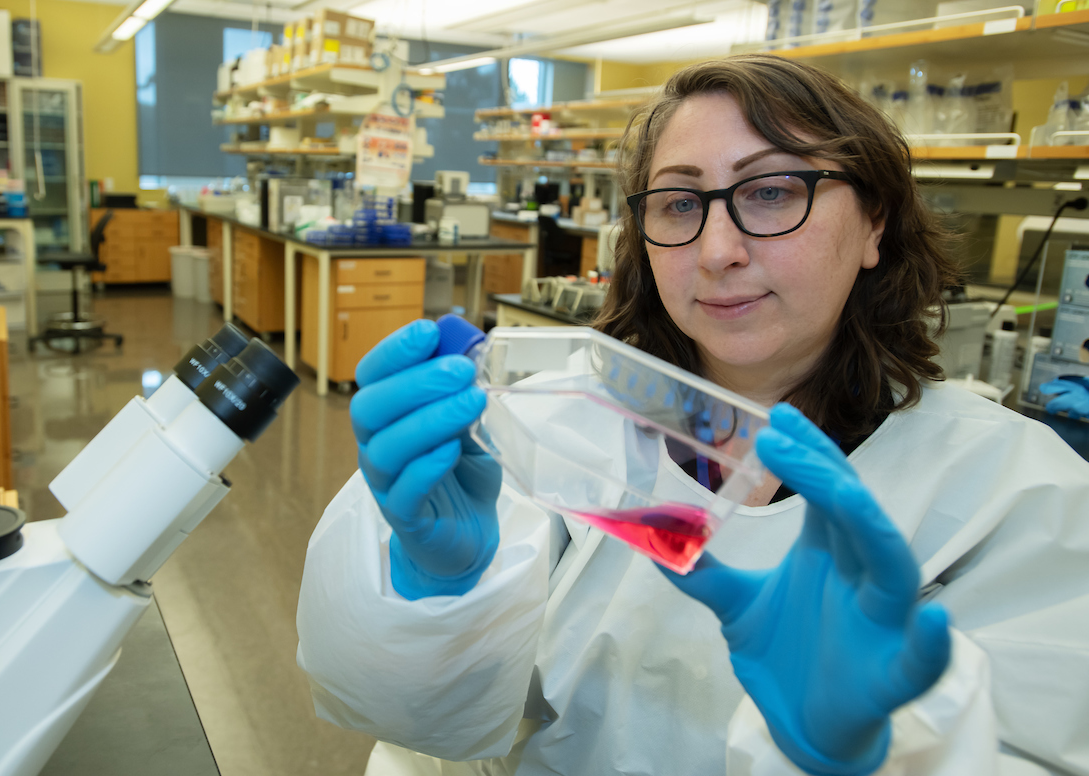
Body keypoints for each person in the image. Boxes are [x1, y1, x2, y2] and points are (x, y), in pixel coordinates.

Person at [296, 54, 1089, 776]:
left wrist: (887, 754)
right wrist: (435, 593)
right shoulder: (551, 419)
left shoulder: (1017, 492)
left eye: (771, 192)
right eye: (679, 204)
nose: (716, 251)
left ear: (875, 222)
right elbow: (414, 733)